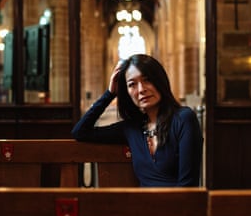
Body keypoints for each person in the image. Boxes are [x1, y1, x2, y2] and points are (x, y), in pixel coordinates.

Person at [72, 54, 203, 187]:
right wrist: (110, 93)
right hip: (142, 205)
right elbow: (80, 132)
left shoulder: (184, 119)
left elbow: (188, 187)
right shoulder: (131, 128)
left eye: (147, 80)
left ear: (160, 80)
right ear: (126, 92)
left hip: (178, 205)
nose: (141, 90)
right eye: (132, 84)